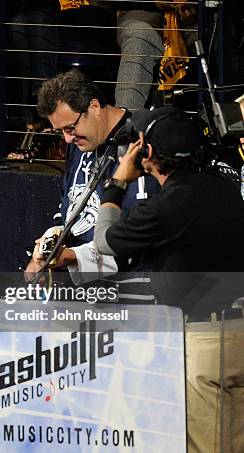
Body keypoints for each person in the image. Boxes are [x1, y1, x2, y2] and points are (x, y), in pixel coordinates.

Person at [93, 106, 244, 453]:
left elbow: (104, 241)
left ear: (147, 153)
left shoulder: (167, 206)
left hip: (205, 343)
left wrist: (117, 185)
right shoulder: (227, 191)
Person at [25, 69, 159, 290]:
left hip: (131, 292)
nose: (67, 139)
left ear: (94, 107)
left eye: (70, 128)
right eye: (60, 132)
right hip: (86, 288)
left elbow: (134, 241)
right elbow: (68, 209)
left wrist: (69, 257)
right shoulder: (80, 144)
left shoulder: (136, 145)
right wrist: (47, 247)